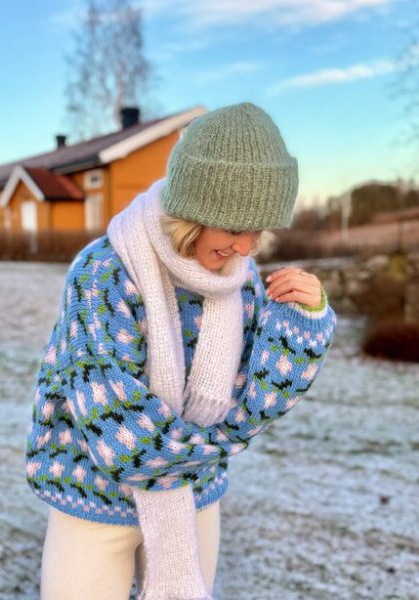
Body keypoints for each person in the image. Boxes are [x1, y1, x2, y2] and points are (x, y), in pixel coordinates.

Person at [25, 101, 338, 600]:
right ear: (193, 210)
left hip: (194, 497)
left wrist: (305, 326)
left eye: (258, 231)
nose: (245, 248)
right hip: (93, 500)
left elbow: (255, 401)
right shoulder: (103, 273)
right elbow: (120, 432)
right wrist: (220, 444)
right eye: (234, 228)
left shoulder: (240, 281)